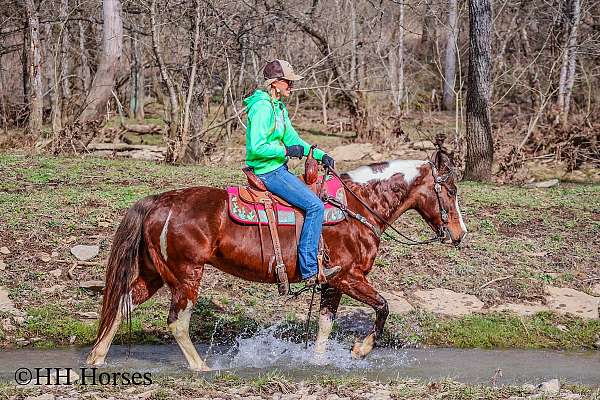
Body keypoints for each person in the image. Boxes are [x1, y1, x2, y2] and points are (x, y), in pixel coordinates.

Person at [243, 59, 341, 285]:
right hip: (268, 171)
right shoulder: (262, 107)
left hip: (278, 167)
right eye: (288, 82)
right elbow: (257, 146)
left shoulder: (278, 107)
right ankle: (309, 269)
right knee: (315, 206)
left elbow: (294, 140)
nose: (291, 86)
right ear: (276, 83)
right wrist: (286, 150)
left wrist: (320, 154)